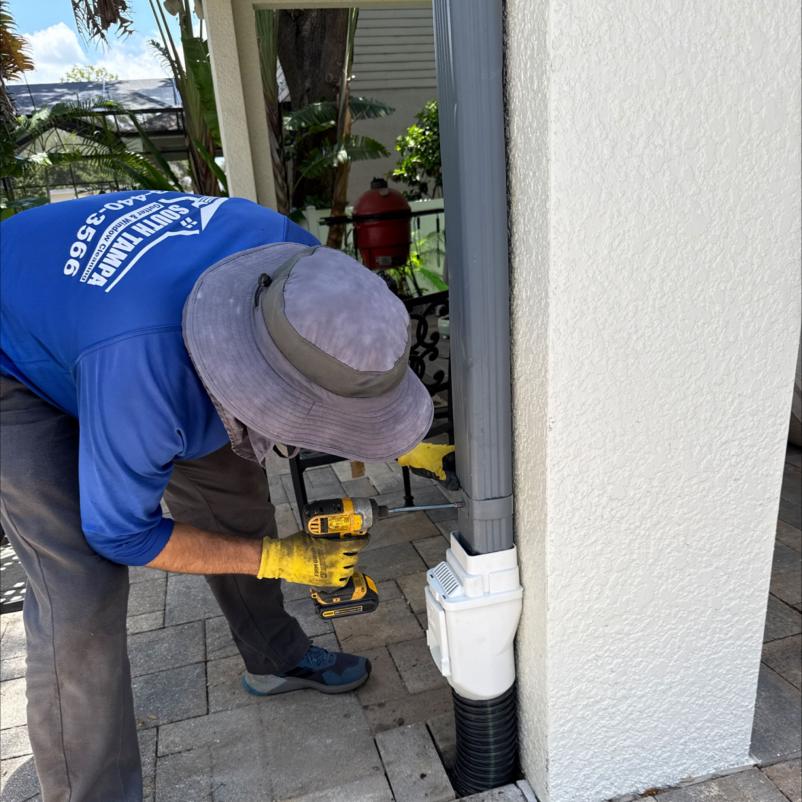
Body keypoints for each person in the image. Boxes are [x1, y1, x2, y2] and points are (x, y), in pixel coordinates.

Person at [0, 190, 433, 802]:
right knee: (79, 594)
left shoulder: (302, 272)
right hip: (14, 361)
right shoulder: (144, 373)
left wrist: (398, 441)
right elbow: (121, 534)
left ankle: (274, 656)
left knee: (234, 502)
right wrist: (277, 559)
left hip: (115, 326)